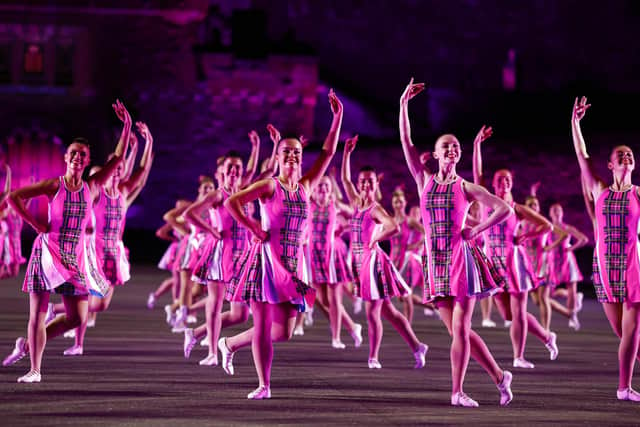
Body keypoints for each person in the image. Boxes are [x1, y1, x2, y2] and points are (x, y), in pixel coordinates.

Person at [218, 89, 343, 399]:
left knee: (284, 331)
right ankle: (263, 385)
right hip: (265, 262)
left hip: (291, 264)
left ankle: (229, 344)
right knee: (262, 327)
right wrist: (252, 228)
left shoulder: (305, 186)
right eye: (286, 151)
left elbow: (327, 153)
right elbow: (233, 201)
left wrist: (337, 116)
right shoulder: (269, 184)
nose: (291, 156)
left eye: (296, 152)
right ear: (278, 156)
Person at [399, 79, 513, 407]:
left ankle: (457, 392)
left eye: (455, 147)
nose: (451, 150)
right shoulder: (423, 180)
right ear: (434, 154)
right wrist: (404, 103)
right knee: (457, 333)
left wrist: (476, 231)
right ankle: (499, 376)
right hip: (436, 261)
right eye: (445, 146)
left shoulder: (465, 187)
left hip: (461, 260)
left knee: (461, 330)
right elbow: (405, 139)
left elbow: (503, 208)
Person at [2, 100, 130, 382]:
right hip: (48, 252)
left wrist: (127, 125)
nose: (77, 158)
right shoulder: (53, 185)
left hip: (75, 257)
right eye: (73, 153)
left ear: (87, 160)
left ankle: (26, 345)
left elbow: (118, 158)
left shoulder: (92, 186)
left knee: (77, 318)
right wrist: (35, 223)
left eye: (83, 155)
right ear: (66, 157)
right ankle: (34, 369)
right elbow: (14, 197)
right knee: (38, 312)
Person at [571, 96, 640, 402]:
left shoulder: (639, 193)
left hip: (633, 264)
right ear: (611, 164)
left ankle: (623, 388)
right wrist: (575, 123)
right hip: (604, 267)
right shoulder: (598, 189)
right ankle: (625, 385)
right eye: (619, 155)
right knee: (623, 334)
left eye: (629, 155)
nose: (625, 157)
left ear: (633, 163)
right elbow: (582, 156)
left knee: (632, 330)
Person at [473, 125, 559, 369]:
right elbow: (477, 174)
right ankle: (546, 336)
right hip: (492, 261)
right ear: (494, 183)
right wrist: (477, 145)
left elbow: (547, 226)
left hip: (513, 261)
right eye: (500, 179)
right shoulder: (486, 201)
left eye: (508, 179)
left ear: (512, 184)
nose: (505, 182)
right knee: (508, 315)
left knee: (519, 312)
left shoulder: (518, 208)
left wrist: (526, 236)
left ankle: (518, 356)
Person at [341, 136, 428, 369]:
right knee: (388, 311)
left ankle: (373, 357)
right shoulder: (356, 203)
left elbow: (394, 227)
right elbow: (344, 179)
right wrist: (347, 153)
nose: (366, 185)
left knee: (372, 312)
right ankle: (417, 346)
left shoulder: (375, 209)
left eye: (371, 182)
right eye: (363, 181)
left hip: (373, 263)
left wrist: (376, 238)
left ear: (375, 185)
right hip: (361, 263)